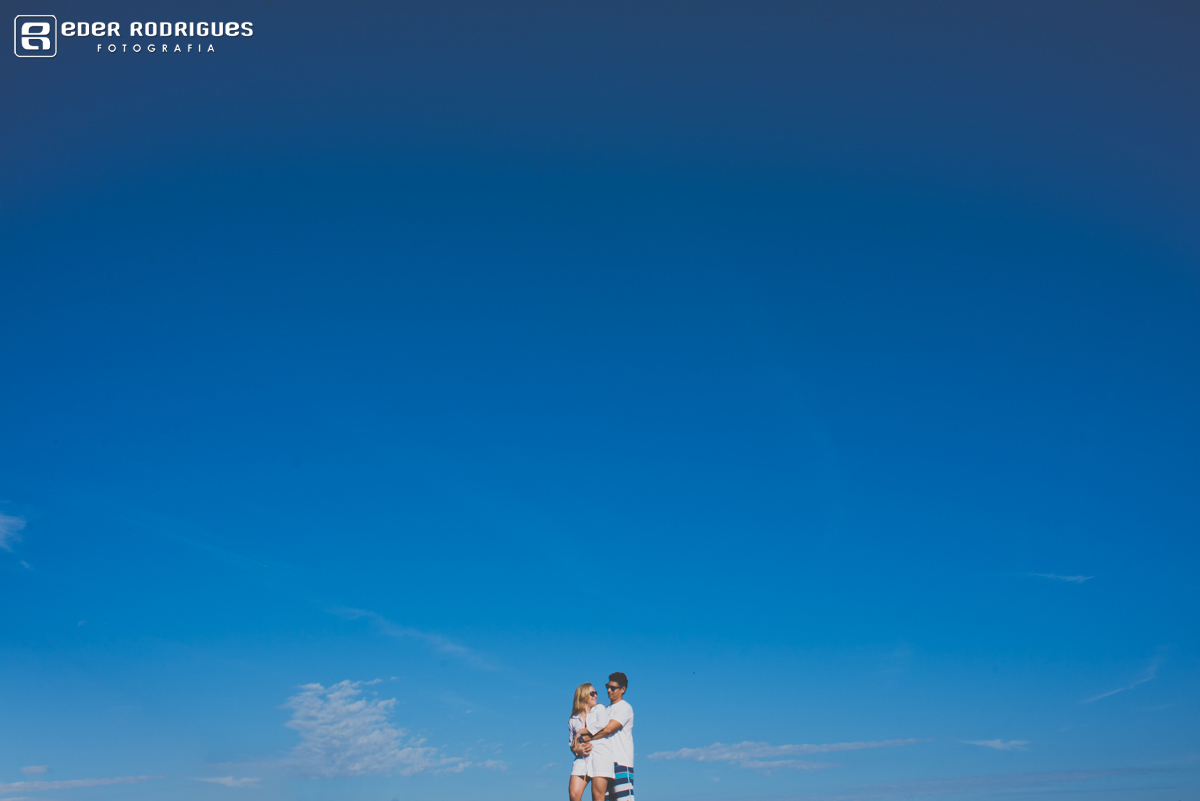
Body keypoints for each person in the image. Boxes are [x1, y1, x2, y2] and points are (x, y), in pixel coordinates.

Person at [579, 672, 634, 801]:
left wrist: (587, 737)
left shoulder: (624, 707)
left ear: (623, 689)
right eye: (607, 687)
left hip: (620, 762)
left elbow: (608, 729)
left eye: (613, 688)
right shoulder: (604, 709)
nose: (609, 690)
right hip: (604, 764)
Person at [568, 683, 612, 801]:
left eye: (596, 693)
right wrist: (576, 749)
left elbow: (602, 724)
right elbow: (572, 743)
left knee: (597, 796)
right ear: (583, 696)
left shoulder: (600, 709)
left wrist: (582, 732)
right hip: (582, 759)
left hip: (600, 756)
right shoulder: (573, 719)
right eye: (592, 694)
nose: (595, 696)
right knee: (574, 794)